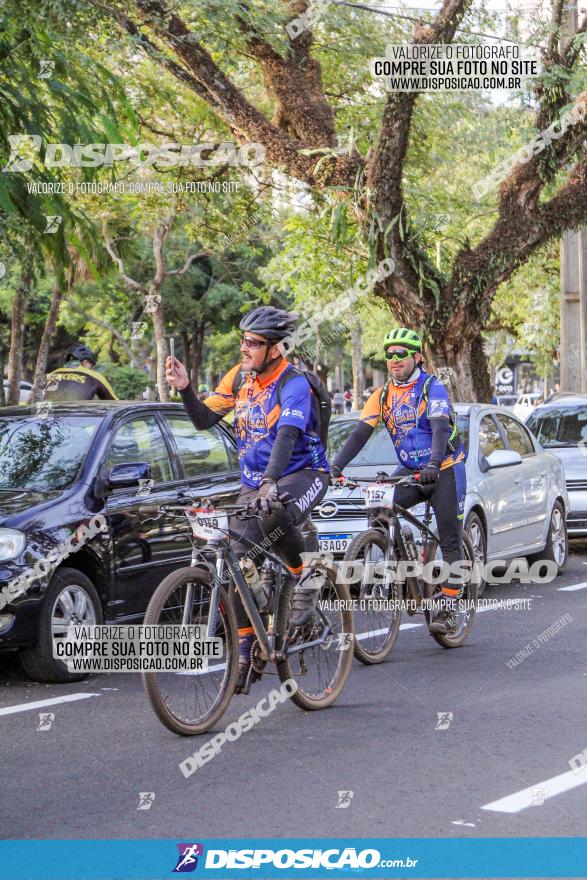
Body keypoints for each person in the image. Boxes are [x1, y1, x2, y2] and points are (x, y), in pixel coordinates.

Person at [166, 306, 330, 693]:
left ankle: (302, 576)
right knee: (232, 560)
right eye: (243, 340)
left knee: (274, 512)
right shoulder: (240, 377)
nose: (244, 348)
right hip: (255, 483)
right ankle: (244, 647)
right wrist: (186, 388)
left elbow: (288, 436)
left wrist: (271, 482)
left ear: (275, 348)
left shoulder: (293, 383)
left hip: (302, 474)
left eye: (253, 343)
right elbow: (205, 419)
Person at [330, 327, 467, 635]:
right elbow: (360, 434)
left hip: (444, 467)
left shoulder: (433, 388)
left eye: (401, 354)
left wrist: (434, 462)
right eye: (389, 354)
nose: (394, 359)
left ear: (416, 357)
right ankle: (399, 567)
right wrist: (336, 465)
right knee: (380, 509)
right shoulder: (380, 396)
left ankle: (448, 604)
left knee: (449, 537)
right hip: (410, 470)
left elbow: (441, 428)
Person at [44, 344, 117, 401]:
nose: (92, 369)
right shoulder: (94, 376)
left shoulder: (54, 373)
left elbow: (46, 403)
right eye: (91, 365)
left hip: (53, 419)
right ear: (85, 362)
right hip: (78, 419)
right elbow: (116, 405)